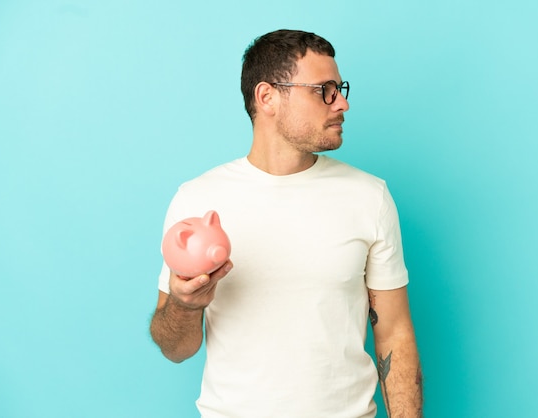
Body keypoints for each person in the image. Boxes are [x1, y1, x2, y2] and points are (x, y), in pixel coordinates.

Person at [150, 29, 422, 418]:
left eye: (340, 88)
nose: (341, 103)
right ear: (267, 98)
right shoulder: (197, 200)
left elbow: (394, 332)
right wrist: (185, 304)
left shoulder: (369, 196)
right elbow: (175, 349)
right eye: (323, 90)